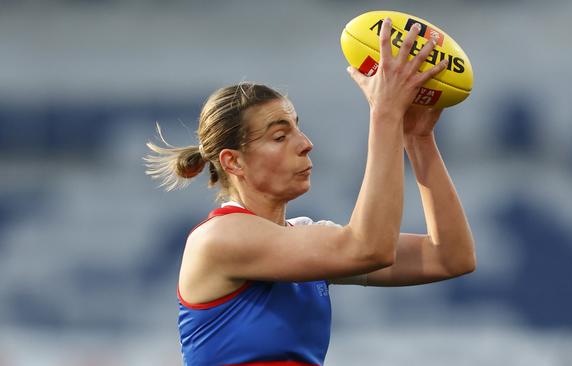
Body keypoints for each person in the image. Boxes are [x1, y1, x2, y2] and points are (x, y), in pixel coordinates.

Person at [145, 17, 475, 366]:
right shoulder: (219, 238)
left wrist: (418, 139)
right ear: (234, 162)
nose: (306, 144)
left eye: (297, 129)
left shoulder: (305, 240)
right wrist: (385, 114)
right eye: (279, 136)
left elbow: (451, 257)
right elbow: (370, 248)